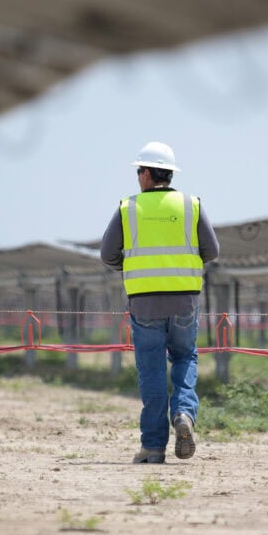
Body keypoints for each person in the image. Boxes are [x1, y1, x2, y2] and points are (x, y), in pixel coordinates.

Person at [100, 141, 219, 464]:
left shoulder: (128, 207)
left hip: (144, 303)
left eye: (140, 170)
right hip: (184, 301)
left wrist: (136, 267)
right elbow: (212, 250)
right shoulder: (191, 205)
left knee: (151, 371)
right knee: (185, 357)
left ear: (148, 173)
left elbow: (107, 254)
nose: (138, 176)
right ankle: (183, 413)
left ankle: (153, 448)